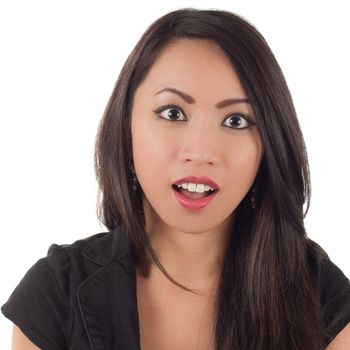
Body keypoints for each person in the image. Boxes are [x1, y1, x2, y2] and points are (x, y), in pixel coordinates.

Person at [2, 7, 350, 350]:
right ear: (126, 127)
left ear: (270, 143)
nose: (200, 152)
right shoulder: (55, 296)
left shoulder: (322, 297)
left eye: (236, 121)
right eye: (173, 113)